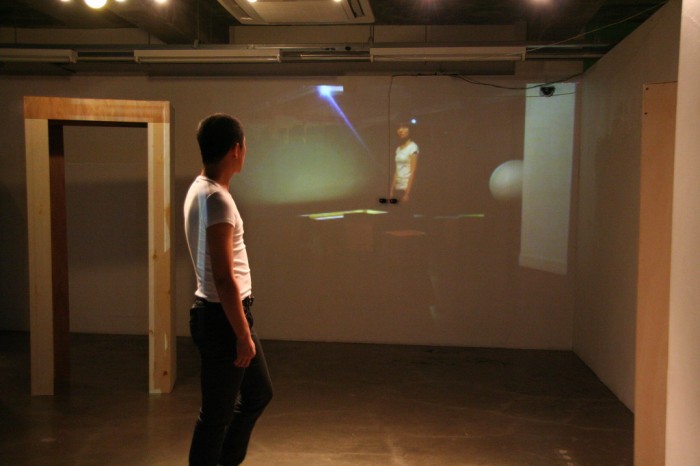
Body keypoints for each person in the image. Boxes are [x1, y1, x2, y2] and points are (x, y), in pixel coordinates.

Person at [183, 113, 273, 466]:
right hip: (222, 318)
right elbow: (223, 277)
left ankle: (225, 460)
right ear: (236, 149)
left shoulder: (203, 190)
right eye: (245, 145)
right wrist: (242, 335)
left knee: (258, 393)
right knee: (215, 416)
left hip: (225, 315)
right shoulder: (216, 199)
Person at [389, 123, 420, 204]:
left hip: (407, 188)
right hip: (397, 187)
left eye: (404, 127)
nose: (400, 130)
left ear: (409, 129)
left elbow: (413, 171)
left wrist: (407, 193)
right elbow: (396, 170)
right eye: (398, 128)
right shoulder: (398, 149)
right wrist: (391, 190)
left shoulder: (413, 147)